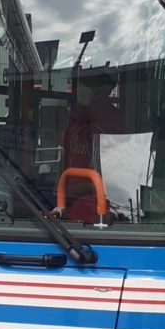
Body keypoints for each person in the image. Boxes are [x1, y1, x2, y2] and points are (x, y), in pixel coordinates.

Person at [60, 67, 124, 222]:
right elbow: (65, 158)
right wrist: (59, 192)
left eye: (88, 81)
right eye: (82, 80)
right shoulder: (76, 116)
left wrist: (78, 189)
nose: (82, 85)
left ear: (104, 86)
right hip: (67, 207)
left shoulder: (114, 120)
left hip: (98, 210)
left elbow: (116, 173)